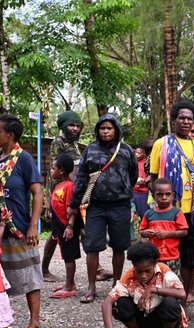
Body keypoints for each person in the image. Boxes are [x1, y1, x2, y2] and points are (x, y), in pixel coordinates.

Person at [0, 113, 46, 328]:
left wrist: (33, 225)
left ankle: (34, 324)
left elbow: (37, 193)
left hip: (18, 229)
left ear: (10, 135)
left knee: (28, 276)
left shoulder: (24, 159)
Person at [68, 113, 138, 303]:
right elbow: (82, 179)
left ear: (116, 130)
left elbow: (133, 175)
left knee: (119, 246)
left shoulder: (125, 150)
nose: (106, 131)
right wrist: (73, 205)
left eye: (109, 128)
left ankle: (117, 284)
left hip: (120, 205)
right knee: (92, 247)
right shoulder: (90, 150)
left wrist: (120, 189)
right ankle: (91, 287)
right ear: (98, 130)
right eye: (102, 128)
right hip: (96, 207)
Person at [150, 99, 194, 303]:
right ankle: (166, 296)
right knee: (168, 253)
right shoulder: (162, 144)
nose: (185, 121)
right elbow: (154, 178)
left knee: (190, 256)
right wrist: (154, 208)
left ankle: (185, 297)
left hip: (193, 210)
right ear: (174, 120)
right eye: (181, 118)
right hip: (169, 209)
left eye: (189, 119)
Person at [101, 242, 187, 328]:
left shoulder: (163, 270)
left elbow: (182, 294)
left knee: (170, 302)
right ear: (133, 267)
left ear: (155, 264)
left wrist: (152, 290)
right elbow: (107, 303)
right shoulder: (129, 276)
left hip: (165, 321)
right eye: (139, 271)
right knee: (119, 304)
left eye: (147, 271)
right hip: (144, 321)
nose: (143, 276)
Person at [42, 111, 84, 282]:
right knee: (55, 234)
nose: (74, 128)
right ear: (63, 127)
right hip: (61, 197)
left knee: (80, 230)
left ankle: (96, 267)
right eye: (71, 125)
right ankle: (44, 270)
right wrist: (49, 203)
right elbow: (54, 173)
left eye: (77, 126)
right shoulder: (57, 143)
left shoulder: (75, 145)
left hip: (74, 194)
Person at [48, 154, 83, 299]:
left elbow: (72, 209)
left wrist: (70, 227)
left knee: (69, 257)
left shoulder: (69, 186)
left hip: (67, 227)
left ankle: (69, 287)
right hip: (59, 226)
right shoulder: (58, 185)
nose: (51, 170)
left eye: (53, 168)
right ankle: (71, 283)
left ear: (61, 171)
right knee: (65, 255)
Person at [139, 178, 188, 277]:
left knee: (172, 280)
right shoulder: (149, 214)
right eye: (160, 194)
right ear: (153, 196)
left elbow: (184, 232)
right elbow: (141, 231)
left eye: (168, 194)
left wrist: (167, 234)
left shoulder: (176, 213)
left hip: (172, 256)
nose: (164, 197)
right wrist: (145, 233)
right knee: (155, 279)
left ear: (173, 195)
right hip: (154, 257)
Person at [132, 144, 149, 218]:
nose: (137, 154)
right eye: (136, 152)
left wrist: (144, 181)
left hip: (143, 193)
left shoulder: (147, 163)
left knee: (144, 215)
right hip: (132, 192)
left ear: (144, 153)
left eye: (139, 153)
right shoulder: (132, 162)